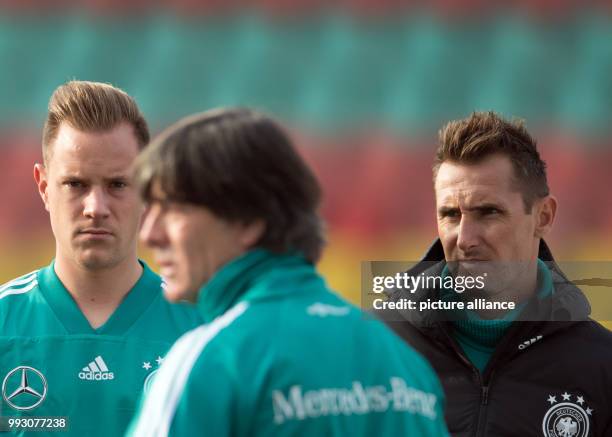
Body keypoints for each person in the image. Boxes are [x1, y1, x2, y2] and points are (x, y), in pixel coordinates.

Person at [126, 108, 450, 436]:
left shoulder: (212, 362)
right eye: (149, 209)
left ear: (248, 220)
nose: (149, 233)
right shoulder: (404, 364)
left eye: (174, 209)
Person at [380, 112, 612, 436]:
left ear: (543, 216)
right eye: (449, 215)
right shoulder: (375, 347)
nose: (464, 239)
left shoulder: (601, 366)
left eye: (488, 212)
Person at [0, 81, 201, 436]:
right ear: (44, 187)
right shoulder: (4, 324)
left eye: (117, 185)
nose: (96, 208)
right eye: (76, 184)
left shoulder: (201, 332)